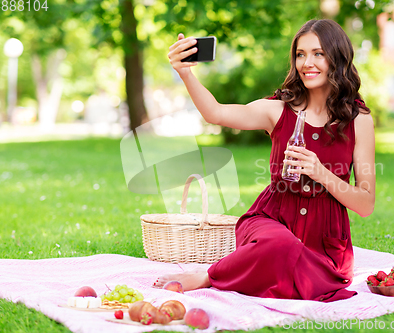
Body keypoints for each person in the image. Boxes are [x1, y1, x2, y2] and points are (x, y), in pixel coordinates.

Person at [154, 19, 376, 302]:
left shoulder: (359, 121)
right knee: (280, 245)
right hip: (272, 220)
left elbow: (366, 204)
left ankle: (266, 270)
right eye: (300, 54)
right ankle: (208, 277)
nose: (307, 62)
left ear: (338, 57)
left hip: (325, 243)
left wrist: (321, 173)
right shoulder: (278, 110)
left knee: (306, 268)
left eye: (318, 53)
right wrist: (185, 73)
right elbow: (216, 113)